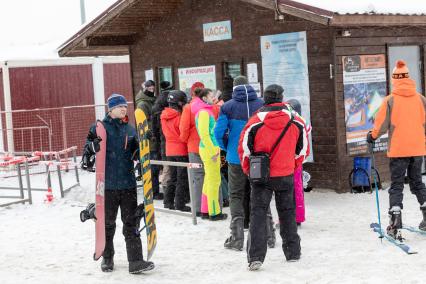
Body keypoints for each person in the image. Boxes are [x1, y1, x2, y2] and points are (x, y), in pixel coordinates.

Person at [238, 84, 310, 270]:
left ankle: (256, 257)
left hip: (261, 175)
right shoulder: (296, 120)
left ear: (265, 98)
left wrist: (249, 169)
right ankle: (293, 252)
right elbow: (303, 150)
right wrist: (292, 165)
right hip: (285, 173)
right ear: (281, 98)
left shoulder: (254, 121)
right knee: (287, 212)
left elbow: (245, 149)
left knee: (258, 214)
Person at [84, 94, 154, 274]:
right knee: (108, 225)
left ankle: (136, 261)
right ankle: (108, 258)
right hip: (106, 187)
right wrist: (92, 148)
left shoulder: (130, 130)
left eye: (125, 106)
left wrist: (144, 143)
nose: (124, 109)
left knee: (131, 223)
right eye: (120, 106)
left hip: (128, 185)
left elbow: (138, 155)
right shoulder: (99, 128)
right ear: (111, 109)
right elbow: (86, 160)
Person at [367, 60, 426, 236]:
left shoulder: (390, 100)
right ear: (408, 77)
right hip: (417, 149)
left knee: (397, 185)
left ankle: (395, 222)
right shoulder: (421, 99)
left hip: (399, 150)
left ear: (394, 79)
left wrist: (372, 136)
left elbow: (381, 125)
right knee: (417, 183)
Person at [214, 75, 264, 251]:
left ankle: (237, 238)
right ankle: (268, 235)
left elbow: (218, 133)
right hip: (258, 157)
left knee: (236, 195)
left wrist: (227, 148)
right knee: (259, 193)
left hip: (236, 158)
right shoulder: (261, 104)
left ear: (234, 88)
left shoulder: (227, 106)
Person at [179, 82, 220, 216]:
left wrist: (186, 140)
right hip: (209, 146)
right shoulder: (210, 109)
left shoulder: (189, 108)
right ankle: (214, 208)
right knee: (212, 177)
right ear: (204, 95)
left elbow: (184, 128)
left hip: (194, 146)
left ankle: (199, 208)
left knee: (198, 178)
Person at [191, 88, 227, 221]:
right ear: (204, 98)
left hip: (208, 149)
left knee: (208, 180)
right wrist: (213, 151)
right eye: (211, 96)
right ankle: (214, 212)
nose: (214, 98)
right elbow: (204, 135)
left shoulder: (204, 111)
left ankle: (206, 210)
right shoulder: (204, 113)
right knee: (214, 181)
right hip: (209, 149)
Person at [161, 90, 191, 212]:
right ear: (179, 103)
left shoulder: (163, 116)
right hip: (181, 149)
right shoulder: (179, 117)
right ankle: (180, 203)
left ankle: (168, 201)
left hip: (169, 150)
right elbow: (183, 132)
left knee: (172, 177)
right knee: (182, 178)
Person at [135, 80, 163, 200]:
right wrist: (152, 134)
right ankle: (153, 192)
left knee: (155, 168)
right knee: (152, 168)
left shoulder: (152, 101)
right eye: (149, 88)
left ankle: (154, 190)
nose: (152, 90)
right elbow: (144, 123)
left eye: (153, 88)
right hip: (150, 141)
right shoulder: (143, 104)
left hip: (155, 139)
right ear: (145, 88)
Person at [287, 98, 312, 226]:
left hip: (287, 159)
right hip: (299, 159)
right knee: (298, 188)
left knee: (287, 189)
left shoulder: (290, 120)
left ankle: (289, 217)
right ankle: (299, 217)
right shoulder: (303, 121)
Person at [152, 81, 173, 200]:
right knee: (170, 167)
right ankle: (168, 191)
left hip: (162, 139)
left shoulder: (156, 104)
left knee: (166, 165)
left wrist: (156, 136)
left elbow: (154, 126)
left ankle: (166, 190)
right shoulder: (170, 102)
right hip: (169, 139)